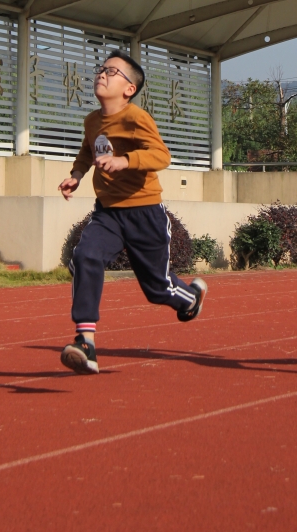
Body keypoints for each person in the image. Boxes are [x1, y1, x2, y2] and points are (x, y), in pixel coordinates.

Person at [58, 49, 207, 374]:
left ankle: (190, 297)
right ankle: (86, 342)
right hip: (108, 213)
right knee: (85, 256)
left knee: (157, 289)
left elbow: (160, 155)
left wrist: (125, 161)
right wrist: (77, 175)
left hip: (144, 213)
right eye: (101, 69)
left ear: (129, 88)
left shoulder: (136, 117)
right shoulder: (92, 121)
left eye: (112, 72)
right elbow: (87, 150)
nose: (102, 74)